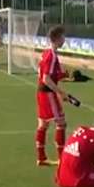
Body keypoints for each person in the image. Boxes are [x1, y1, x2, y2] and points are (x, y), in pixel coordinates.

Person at [35, 26, 70, 166]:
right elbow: (46, 79)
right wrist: (61, 92)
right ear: (57, 39)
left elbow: (49, 75)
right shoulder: (52, 55)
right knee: (61, 123)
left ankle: (41, 157)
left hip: (41, 93)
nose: (64, 39)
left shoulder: (47, 53)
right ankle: (62, 159)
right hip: (47, 93)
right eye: (62, 37)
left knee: (43, 124)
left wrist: (63, 75)